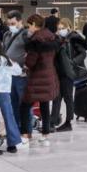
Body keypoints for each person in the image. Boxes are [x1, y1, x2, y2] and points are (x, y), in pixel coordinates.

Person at [22, 14, 59, 146]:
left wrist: (24, 63)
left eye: (29, 25)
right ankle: (45, 134)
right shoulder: (51, 37)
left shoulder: (36, 41)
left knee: (25, 105)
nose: (28, 28)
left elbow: (31, 62)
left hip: (37, 77)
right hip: (49, 75)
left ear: (33, 24)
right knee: (44, 105)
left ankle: (26, 134)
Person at [52, 18, 87, 132]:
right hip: (59, 72)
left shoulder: (74, 38)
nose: (61, 30)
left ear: (69, 27)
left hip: (69, 73)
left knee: (67, 97)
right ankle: (53, 121)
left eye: (63, 28)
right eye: (59, 28)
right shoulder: (59, 39)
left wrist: (72, 63)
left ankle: (68, 122)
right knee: (56, 98)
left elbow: (83, 54)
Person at [2, 10, 30, 137]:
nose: (11, 26)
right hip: (9, 75)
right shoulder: (7, 35)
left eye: (13, 23)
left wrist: (26, 65)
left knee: (23, 104)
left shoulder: (26, 35)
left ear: (20, 21)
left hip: (22, 76)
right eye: (9, 23)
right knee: (12, 105)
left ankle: (26, 131)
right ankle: (15, 130)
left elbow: (32, 52)